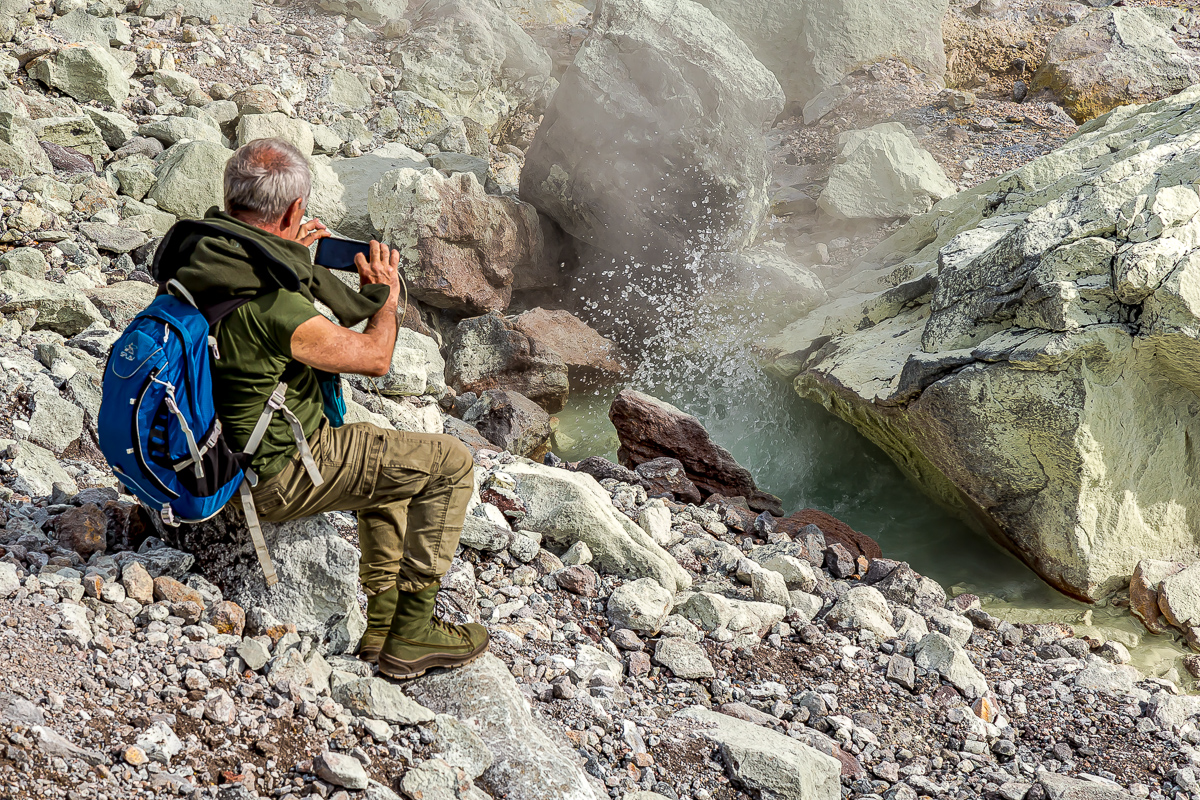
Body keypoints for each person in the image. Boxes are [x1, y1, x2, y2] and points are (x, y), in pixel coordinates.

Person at [159, 137, 488, 680]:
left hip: (215, 447)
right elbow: (374, 358)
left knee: (390, 463)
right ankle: (414, 630)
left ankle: (381, 625)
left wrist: (297, 260)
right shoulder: (273, 306)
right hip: (274, 473)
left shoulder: (207, 259)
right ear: (293, 210)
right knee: (450, 463)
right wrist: (384, 294)